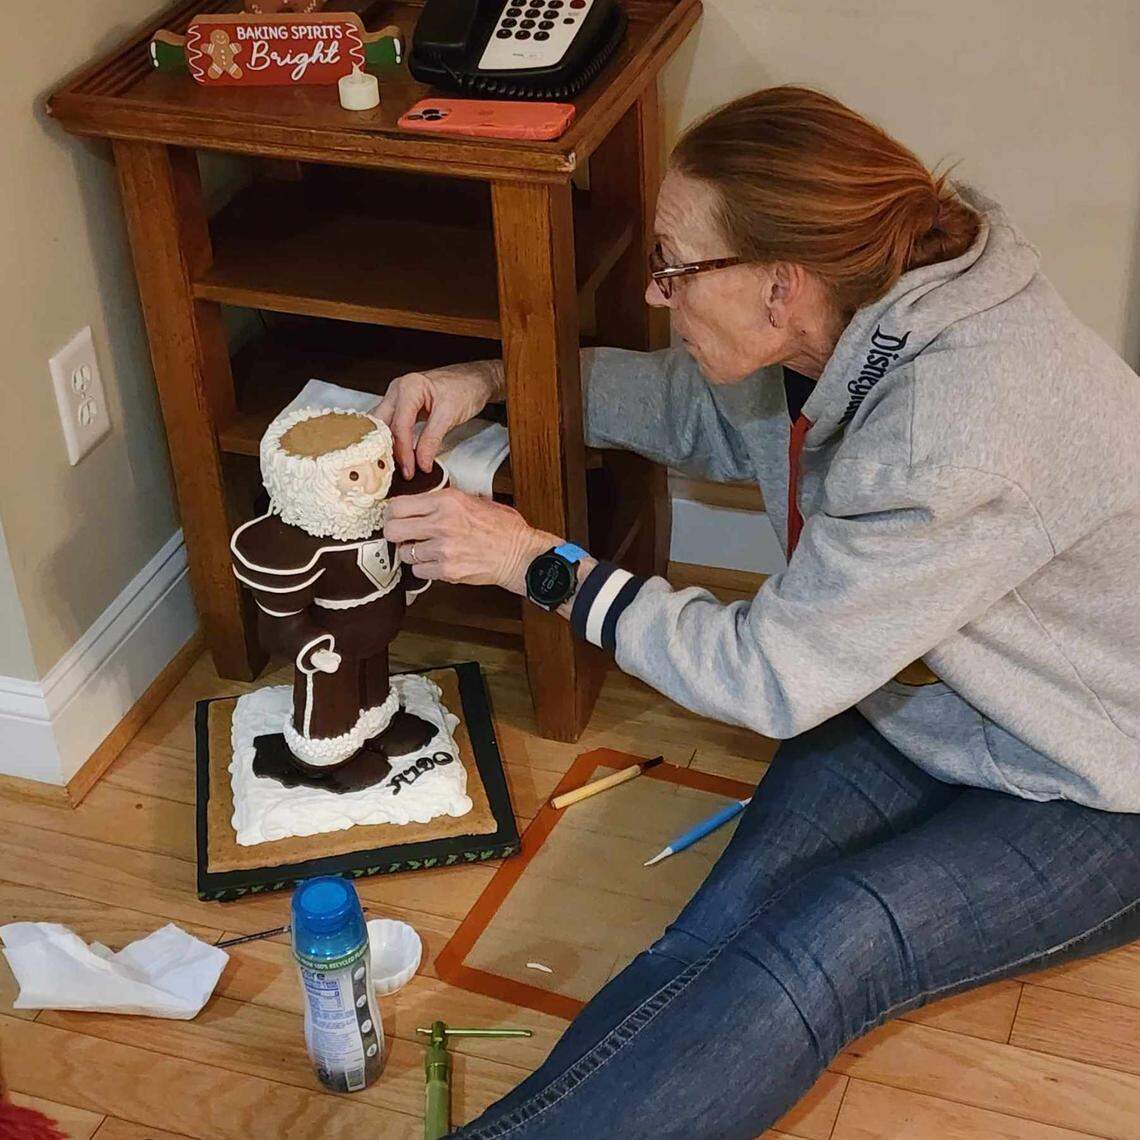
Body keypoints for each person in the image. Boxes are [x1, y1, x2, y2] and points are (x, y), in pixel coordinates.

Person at [376, 86, 1140, 1138]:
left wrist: (534, 564)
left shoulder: (953, 429)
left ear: (780, 287)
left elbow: (765, 675)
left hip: (1104, 775)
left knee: (823, 946)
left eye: (674, 267)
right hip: (929, 701)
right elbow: (685, 406)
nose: (656, 294)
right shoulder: (851, 328)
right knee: (721, 929)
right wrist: (489, 377)